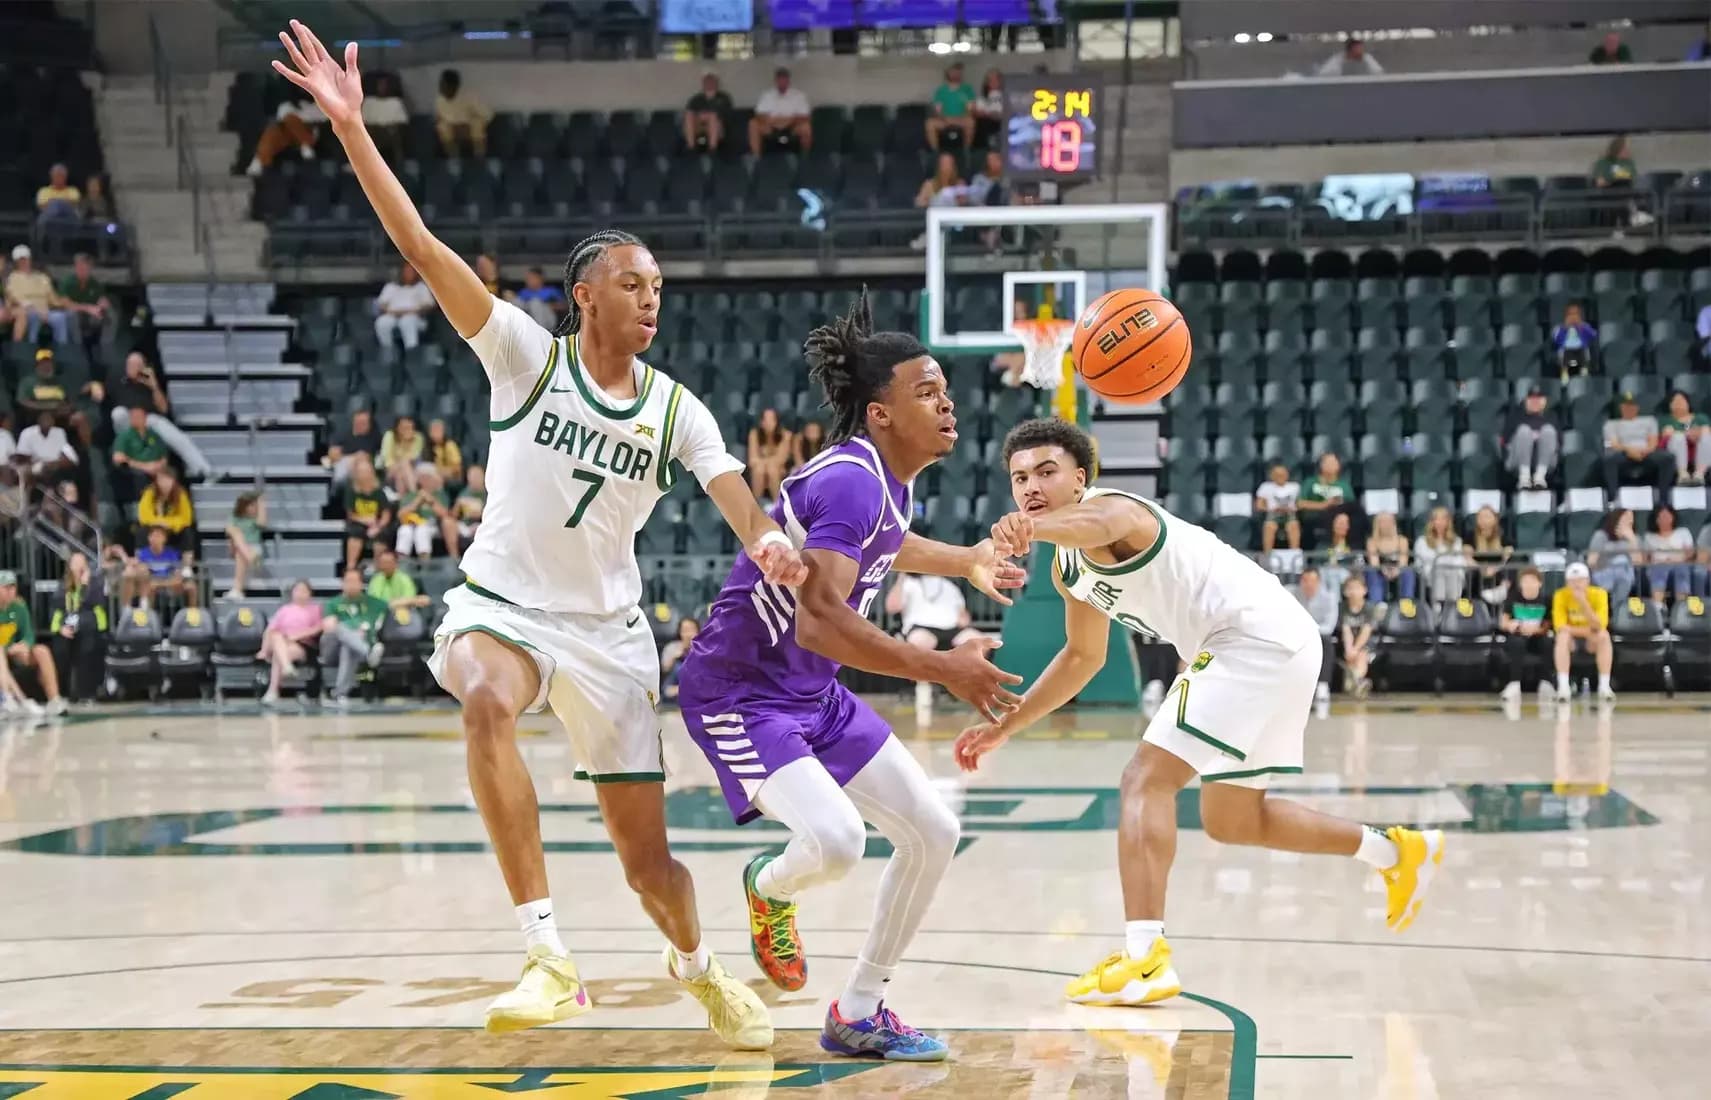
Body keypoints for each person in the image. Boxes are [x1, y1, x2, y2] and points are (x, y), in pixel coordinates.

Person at [273, 16, 806, 1047]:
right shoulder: (524, 356)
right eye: (632, 282)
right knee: (483, 699)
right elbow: (421, 247)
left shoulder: (675, 407)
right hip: (504, 606)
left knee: (650, 865)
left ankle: (699, 969)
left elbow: (736, 495)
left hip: (610, 635)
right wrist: (350, 129)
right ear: (584, 296)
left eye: (658, 285)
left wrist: (768, 541)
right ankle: (548, 954)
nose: (651, 297)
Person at [956, 417, 1443, 1010]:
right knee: (1233, 820)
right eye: (1020, 478)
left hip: (1252, 639)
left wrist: (1026, 528)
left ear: (1081, 478)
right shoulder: (1067, 567)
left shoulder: (1115, 511)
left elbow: (1098, 523)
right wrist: (1004, 725)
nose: (1031, 485)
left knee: (1144, 780)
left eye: (1047, 472)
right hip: (1273, 644)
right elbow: (1084, 657)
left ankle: (1145, 960)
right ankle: (1394, 851)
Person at [677, 291, 1025, 1062]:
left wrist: (963, 559)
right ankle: (769, 888)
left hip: (811, 694)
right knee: (836, 843)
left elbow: (889, 542)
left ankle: (860, 1008)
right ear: (879, 413)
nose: (947, 403)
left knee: (933, 831)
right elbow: (820, 619)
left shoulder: (882, 483)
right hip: (741, 691)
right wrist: (940, 668)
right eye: (926, 392)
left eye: (945, 389)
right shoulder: (850, 480)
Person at [886, 571, 986, 714]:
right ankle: (923, 691)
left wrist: (962, 619)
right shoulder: (908, 584)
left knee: (977, 641)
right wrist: (901, 577)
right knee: (920, 642)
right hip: (922, 627)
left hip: (952, 628)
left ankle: (964, 689)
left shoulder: (949, 586)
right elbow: (892, 607)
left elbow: (963, 617)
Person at [0, 570, 66, 716]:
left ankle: (54, 700)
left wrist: (25, 645)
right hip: (2, 653)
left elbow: (28, 633)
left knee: (41, 650)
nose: (11, 591)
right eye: (6, 588)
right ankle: (9, 700)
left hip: (13, 652)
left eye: (13, 587)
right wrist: (10, 649)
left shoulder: (19, 606)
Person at [320, 568, 387, 705]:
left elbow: (392, 605)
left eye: (354, 581)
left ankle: (340, 694)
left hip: (354, 648)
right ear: (342, 583)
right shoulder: (333, 603)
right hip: (333, 649)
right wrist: (353, 632)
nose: (351, 584)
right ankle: (369, 652)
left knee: (348, 647)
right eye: (348, 581)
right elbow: (328, 627)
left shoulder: (372, 602)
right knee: (340, 629)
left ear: (361, 583)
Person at [48, 551, 106, 704]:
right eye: (75, 563)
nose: (79, 567)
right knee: (60, 649)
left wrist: (85, 585)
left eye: (82, 563)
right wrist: (61, 628)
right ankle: (63, 693)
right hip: (68, 626)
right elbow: (56, 610)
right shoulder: (63, 585)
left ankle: (87, 693)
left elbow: (88, 604)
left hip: (90, 625)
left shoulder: (95, 584)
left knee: (87, 646)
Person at [1552, 562, 1614, 702]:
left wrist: (1583, 602)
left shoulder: (1599, 594)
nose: (1576, 585)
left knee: (1604, 636)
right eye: (1572, 581)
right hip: (1572, 640)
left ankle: (1604, 687)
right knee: (1562, 637)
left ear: (1588, 581)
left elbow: (1599, 626)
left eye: (1580, 580)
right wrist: (1587, 630)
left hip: (1591, 640)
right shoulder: (1560, 595)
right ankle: (1563, 688)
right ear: (1567, 583)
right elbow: (1561, 627)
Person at [258, 579, 322, 705]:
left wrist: (297, 636)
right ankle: (287, 666)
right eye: (297, 590)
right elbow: (269, 630)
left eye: (304, 590)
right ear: (292, 593)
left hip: (302, 645)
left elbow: (318, 628)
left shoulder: (315, 609)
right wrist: (264, 650)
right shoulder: (284, 610)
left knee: (278, 652)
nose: (300, 593)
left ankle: (272, 691)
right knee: (276, 636)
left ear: (310, 593)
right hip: (281, 641)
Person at [1601, 392, 1672, 499]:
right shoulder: (1611, 424)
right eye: (1625, 406)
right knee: (1608, 459)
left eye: (1632, 405)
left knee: (1668, 458)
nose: (1630, 408)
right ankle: (1613, 498)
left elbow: (1653, 441)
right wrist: (1629, 451)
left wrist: (1646, 451)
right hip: (1623, 453)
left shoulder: (1649, 420)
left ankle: (1663, 499)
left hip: (1647, 452)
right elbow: (1615, 444)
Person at [1498, 567, 1553, 704]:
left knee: (1548, 642)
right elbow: (1503, 622)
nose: (1528, 584)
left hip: (1537, 635)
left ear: (1539, 583)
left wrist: (1535, 630)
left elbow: (1547, 625)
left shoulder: (1546, 600)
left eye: (1532, 581)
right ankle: (1514, 684)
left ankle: (1546, 683)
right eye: (1525, 581)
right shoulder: (1513, 598)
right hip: (1518, 634)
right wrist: (1513, 626)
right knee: (1517, 643)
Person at [245, 92, 325, 175]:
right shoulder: (288, 105)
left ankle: (258, 159)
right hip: (290, 134)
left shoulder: (321, 105)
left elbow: (322, 120)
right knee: (273, 131)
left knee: (288, 122)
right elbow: (282, 119)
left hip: (309, 132)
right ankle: (260, 159)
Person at [1291, 565, 1337, 704]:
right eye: (1305, 580)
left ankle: (1322, 686)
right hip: (1296, 635)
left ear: (1319, 582)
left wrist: (1309, 631)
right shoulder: (1290, 594)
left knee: (1327, 643)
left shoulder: (1329, 597)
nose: (1309, 584)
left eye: (1313, 581)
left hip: (1318, 635)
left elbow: (1329, 627)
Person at [6, 246, 70, 345]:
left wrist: (64, 302)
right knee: (34, 316)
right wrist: (37, 310)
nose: (23, 262)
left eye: (25, 259)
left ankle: (62, 350)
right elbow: (15, 298)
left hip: (46, 312)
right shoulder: (13, 278)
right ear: (16, 262)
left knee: (60, 317)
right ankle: (31, 348)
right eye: (20, 260)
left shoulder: (42, 277)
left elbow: (53, 299)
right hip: (29, 312)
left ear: (29, 259)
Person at [123, 525, 194, 609]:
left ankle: (192, 613)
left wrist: (162, 583)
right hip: (149, 583)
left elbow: (177, 574)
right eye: (153, 536)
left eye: (158, 536)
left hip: (168, 583)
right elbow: (140, 571)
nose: (155, 539)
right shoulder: (143, 553)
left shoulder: (172, 553)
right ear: (149, 538)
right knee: (144, 579)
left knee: (191, 586)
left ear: (164, 539)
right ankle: (146, 613)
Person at [1503, 384, 1559, 489]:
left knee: (1548, 431)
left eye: (1538, 399)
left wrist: (1539, 438)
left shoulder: (1552, 417)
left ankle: (1540, 477)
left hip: (1545, 461)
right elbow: (1506, 441)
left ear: (1545, 401)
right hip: (1517, 460)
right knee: (1524, 431)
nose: (1535, 402)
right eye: (1532, 399)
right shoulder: (1516, 416)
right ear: (1526, 400)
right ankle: (1524, 478)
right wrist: (1529, 437)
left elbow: (1559, 441)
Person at [111, 404, 169, 503]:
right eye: (134, 417)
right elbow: (118, 458)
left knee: (170, 475)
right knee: (141, 478)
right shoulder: (124, 436)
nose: (138, 419)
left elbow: (164, 455)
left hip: (156, 468)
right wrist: (144, 467)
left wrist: (158, 466)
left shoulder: (153, 434)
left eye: (140, 417)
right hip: (135, 470)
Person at [1298, 452, 1357, 548]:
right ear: (1321, 465)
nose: (1331, 465)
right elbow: (1300, 503)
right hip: (1315, 518)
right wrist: (1323, 505)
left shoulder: (1344, 485)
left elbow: (1352, 505)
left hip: (1338, 518)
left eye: (1334, 462)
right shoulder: (1310, 482)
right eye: (1328, 462)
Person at [343, 458, 392, 570]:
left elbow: (386, 515)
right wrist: (365, 520)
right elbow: (350, 514)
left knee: (381, 535)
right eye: (361, 472)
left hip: (376, 524)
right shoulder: (352, 492)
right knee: (355, 532)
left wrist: (378, 526)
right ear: (357, 474)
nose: (364, 475)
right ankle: (351, 567)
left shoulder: (379, 493)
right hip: (358, 522)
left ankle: (378, 568)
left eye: (367, 471)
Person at [748, 67, 811, 156]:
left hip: (792, 126)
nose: (782, 82)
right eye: (780, 79)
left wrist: (789, 120)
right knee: (753, 124)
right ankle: (756, 158)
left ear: (788, 81)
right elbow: (759, 114)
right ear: (776, 81)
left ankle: (805, 157)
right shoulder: (767, 95)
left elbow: (805, 116)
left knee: (806, 127)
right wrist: (772, 121)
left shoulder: (799, 95)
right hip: (771, 126)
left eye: (784, 79)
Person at [1337, 573, 1382, 698]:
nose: (1353, 592)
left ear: (1364, 590)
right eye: (1350, 588)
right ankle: (1358, 683)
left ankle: (1354, 679)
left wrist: (1355, 649)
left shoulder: (1370, 608)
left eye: (1357, 588)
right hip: (1348, 644)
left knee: (1361, 655)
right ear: (1345, 591)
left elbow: (1366, 632)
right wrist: (1349, 649)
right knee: (1351, 657)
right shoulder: (1342, 608)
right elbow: (1346, 631)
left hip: (1367, 643)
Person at [1586, 507, 1640, 611]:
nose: (1629, 521)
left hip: (1626, 578)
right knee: (1621, 561)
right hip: (1602, 575)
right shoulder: (1601, 536)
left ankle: (1618, 609)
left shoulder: (1633, 539)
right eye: (1626, 518)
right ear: (1616, 519)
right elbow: (1591, 562)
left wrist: (1632, 540)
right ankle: (1618, 609)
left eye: (1631, 519)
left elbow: (1638, 562)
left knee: (1623, 566)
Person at [1643, 505, 1697, 606]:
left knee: (1681, 568)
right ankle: (1658, 607)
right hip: (1658, 566)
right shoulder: (1649, 537)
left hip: (1680, 563)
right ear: (1655, 520)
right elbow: (1645, 558)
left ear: (1673, 517)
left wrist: (1677, 559)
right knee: (1659, 569)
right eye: (1661, 517)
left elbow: (1690, 554)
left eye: (1667, 516)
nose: (1665, 519)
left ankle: (1681, 607)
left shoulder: (1683, 532)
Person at [374, 263, 437, 351]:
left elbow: (429, 305)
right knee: (382, 322)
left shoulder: (421, 287)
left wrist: (416, 311)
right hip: (392, 315)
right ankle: (388, 351)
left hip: (414, 316)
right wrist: (389, 311)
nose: (408, 274)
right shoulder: (391, 287)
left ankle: (411, 352)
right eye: (406, 271)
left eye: (411, 272)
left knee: (407, 321)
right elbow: (381, 304)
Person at [138, 468, 197, 561]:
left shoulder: (181, 494)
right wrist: (157, 522)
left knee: (187, 533)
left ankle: (186, 566)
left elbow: (186, 518)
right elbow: (144, 515)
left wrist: (169, 524)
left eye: (167, 480)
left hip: (173, 530)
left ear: (173, 481)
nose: (164, 484)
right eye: (161, 480)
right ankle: (140, 563)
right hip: (155, 528)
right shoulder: (149, 492)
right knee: (141, 532)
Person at [1414, 506, 1469, 605]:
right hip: (1431, 574)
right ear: (1431, 522)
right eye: (1436, 519)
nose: (1440, 522)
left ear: (1448, 522)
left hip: (1452, 573)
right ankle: (1439, 605)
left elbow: (1459, 561)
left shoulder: (1456, 541)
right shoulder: (1422, 541)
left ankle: (1452, 605)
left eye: (1443, 519)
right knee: (1439, 570)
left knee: (1452, 572)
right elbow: (1419, 562)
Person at [58, 252, 113, 349]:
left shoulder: (94, 283)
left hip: (90, 314)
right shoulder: (67, 282)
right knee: (72, 315)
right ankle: (78, 347)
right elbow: (66, 304)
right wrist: (87, 308)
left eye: (84, 268)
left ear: (90, 268)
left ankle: (106, 347)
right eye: (79, 267)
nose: (81, 270)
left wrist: (103, 305)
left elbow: (101, 299)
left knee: (109, 315)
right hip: (71, 313)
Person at [396, 466, 451, 560]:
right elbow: (400, 514)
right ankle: (402, 563)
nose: (425, 481)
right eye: (422, 477)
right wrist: (416, 503)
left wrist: (431, 501)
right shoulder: (411, 495)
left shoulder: (440, 495)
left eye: (428, 477)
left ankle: (424, 564)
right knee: (404, 531)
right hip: (411, 523)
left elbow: (444, 514)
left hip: (432, 525)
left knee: (422, 530)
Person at [434, 68, 491, 157]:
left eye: (443, 84)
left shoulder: (469, 97)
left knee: (477, 125)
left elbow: (488, 114)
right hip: (452, 132)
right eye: (440, 84)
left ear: (453, 86)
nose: (440, 87)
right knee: (443, 127)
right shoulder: (439, 101)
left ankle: (480, 159)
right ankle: (454, 160)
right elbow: (440, 118)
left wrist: (468, 125)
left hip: (470, 131)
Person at [1364, 511, 1416, 602]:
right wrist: (1384, 571)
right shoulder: (1372, 541)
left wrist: (1397, 570)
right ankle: (1377, 606)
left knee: (1408, 571)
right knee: (1371, 571)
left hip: (1398, 570)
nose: (1386, 524)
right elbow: (1374, 562)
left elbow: (1404, 560)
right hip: (1380, 571)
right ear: (1377, 524)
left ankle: (1407, 605)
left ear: (1394, 523)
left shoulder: (1402, 540)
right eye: (1383, 522)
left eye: (1389, 521)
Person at [1660, 390, 1710, 485]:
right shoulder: (1666, 419)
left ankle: (1699, 475)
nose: (1679, 404)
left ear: (1688, 403)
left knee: (1706, 437)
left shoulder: (1700, 418)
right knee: (1678, 437)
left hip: (1698, 447)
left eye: (1682, 401)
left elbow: (1706, 430)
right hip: (1675, 447)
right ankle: (1682, 475)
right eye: (1675, 401)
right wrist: (1688, 434)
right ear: (1670, 405)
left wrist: (1697, 434)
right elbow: (1666, 433)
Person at [323, 407, 383, 484]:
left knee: (363, 465)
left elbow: (380, 454)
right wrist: (354, 457)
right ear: (354, 422)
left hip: (367, 465)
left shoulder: (375, 437)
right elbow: (332, 454)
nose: (361, 425)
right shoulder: (343, 435)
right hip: (345, 463)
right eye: (359, 422)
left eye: (364, 423)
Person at [747, 407, 793, 504]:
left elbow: (781, 459)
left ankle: (778, 506)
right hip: (759, 470)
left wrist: (764, 463)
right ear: (761, 422)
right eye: (765, 419)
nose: (768, 423)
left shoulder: (786, 435)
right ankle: (756, 506)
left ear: (777, 421)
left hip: (781, 470)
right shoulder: (754, 434)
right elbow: (752, 460)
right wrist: (764, 465)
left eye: (771, 419)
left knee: (772, 469)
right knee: (759, 470)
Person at [225, 490, 267, 598]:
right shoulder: (234, 518)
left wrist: (261, 502)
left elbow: (262, 522)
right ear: (244, 506)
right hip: (243, 551)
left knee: (240, 551)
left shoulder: (254, 520)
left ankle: (237, 590)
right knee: (235, 532)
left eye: (255, 506)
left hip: (254, 549)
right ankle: (251, 558)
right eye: (251, 506)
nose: (255, 508)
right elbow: (229, 532)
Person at [925, 63, 975, 150]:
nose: (955, 74)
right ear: (948, 74)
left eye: (957, 72)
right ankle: (935, 152)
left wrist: (958, 119)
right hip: (945, 120)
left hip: (961, 120)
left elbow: (970, 110)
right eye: (952, 72)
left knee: (971, 122)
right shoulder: (941, 90)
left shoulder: (967, 89)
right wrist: (946, 119)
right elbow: (938, 111)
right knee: (929, 123)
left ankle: (966, 151)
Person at [1469, 505, 1513, 603]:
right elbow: (1467, 557)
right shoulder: (1470, 536)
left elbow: (1507, 556)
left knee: (1511, 569)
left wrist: (1494, 568)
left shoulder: (1503, 536)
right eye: (1481, 517)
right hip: (1478, 574)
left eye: (1487, 517)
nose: (1484, 520)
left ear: (1495, 519)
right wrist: (1482, 569)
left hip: (1497, 572)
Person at [362, 72, 408, 162]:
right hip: (373, 134)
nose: (382, 87)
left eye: (384, 84)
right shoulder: (369, 102)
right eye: (380, 84)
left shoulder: (395, 102)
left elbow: (402, 123)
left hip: (391, 134)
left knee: (396, 136)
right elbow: (364, 122)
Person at [1254, 463, 1300, 553]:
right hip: (1272, 514)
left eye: (1283, 474)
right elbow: (1259, 505)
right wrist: (1271, 509)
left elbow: (1300, 503)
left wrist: (1292, 508)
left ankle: (1294, 556)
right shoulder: (1265, 487)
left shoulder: (1295, 487)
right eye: (1277, 475)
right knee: (1270, 527)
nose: (1280, 476)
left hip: (1290, 514)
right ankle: (1267, 555)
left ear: (1287, 475)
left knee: (1293, 526)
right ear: (1272, 476)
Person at [682, 72, 731, 154]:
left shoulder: (724, 98)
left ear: (716, 83)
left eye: (711, 82)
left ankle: (712, 149)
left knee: (712, 117)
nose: (709, 84)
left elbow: (727, 117)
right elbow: (689, 113)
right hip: (699, 126)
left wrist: (709, 116)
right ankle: (691, 148)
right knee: (689, 116)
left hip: (718, 128)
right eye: (706, 82)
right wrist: (700, 117)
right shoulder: (696, 99)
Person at [366, 546, 428, 611]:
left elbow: (409, 600)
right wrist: (394, 603)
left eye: (388, 563)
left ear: (396, 564)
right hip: (381, 613)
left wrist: (390, 605)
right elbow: (373, 602)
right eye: (383, 563)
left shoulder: (404, 579)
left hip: (402, 613)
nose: (385, 566)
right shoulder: (376, 579)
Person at [379, 414, 425, 494]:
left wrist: (408, 442)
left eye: (410, 427)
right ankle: (414, 494)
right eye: (404, 427)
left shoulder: (418, 437)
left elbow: (414, 458)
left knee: (401, 475)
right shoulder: (389, 436)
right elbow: (387, 461)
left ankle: (402, 501)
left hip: (413, 470)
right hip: (390, 470)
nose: (407, 430)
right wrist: (405, 443)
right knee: (404, 464)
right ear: (397, 428)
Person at [1550, 303, 1597, 376]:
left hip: (1580, 349)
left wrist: (1581, 326)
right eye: (1570, 314)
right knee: (1562, 356)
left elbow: (1593, 335)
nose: (1573, 317)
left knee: (1585, 355)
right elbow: (1556, 339)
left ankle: (1584, 374)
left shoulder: (1584, 326)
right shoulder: (1560, 327)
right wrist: (1564, 328)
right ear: (1566, 316)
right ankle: (1564, 376)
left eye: (1575, 314)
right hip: (1566, 349)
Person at [658, 616, 698, 701]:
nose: (688, 634)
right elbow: (665, 670)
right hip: (675, 686)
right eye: (685, 631)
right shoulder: (671, 647)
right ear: (679, 632)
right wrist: (678, 654)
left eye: (691, 630)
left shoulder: (704, 648)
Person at [452, 464, 485, 554]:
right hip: (465, 525)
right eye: (472, 476)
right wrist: (458, 505)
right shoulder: (464, 493)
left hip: (482, 524)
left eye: (477, 476)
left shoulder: (488, 493)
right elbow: (454, 515)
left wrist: (480, 514)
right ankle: (454, 558)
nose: (474, 478)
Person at [971, 69, 1005, 150]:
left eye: (995, 79)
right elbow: (978, 112)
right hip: (987, 122)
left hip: (1002, 122)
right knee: (982, 123)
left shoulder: (1006, 96)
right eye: (990, 80)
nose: (993, 82)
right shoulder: (982, 98)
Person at [425, 417, 464, 486]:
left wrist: (441, 471)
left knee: (435, 476)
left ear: (443, 431)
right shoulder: (427, 446)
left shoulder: (450, 445)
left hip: (450, 474)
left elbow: (457, 468)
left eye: (438, 430)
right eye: (434, 430)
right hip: (432, 473)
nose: (436, 433)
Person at [1317, 37, 1383, 76]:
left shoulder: (1366, 58)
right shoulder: (1337, 59)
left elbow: (1378, 72)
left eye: (1361, 48)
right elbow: (1324, 74)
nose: (1361, 51)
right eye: (1358, 48)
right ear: (1350, 50)